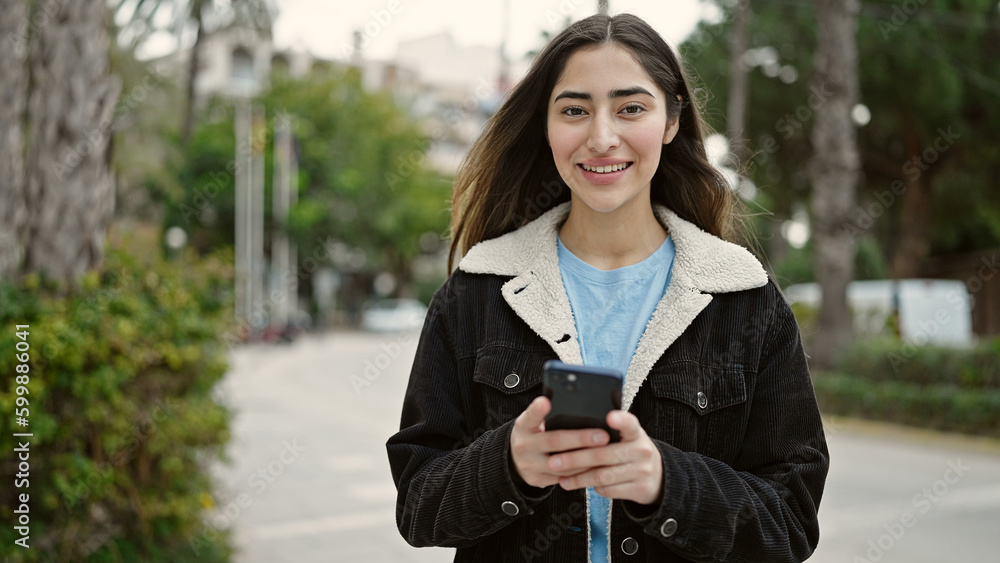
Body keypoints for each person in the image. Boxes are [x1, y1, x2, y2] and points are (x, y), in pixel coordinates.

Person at [386, 12, 829, 563]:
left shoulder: (743, 298)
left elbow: (789, 524)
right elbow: (417, 506)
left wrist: (668, 483)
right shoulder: (476, 291)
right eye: (574, 110)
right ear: (545, 126)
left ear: (671, 120)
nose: (601, 137)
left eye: (631, 108)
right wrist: (509, 464)